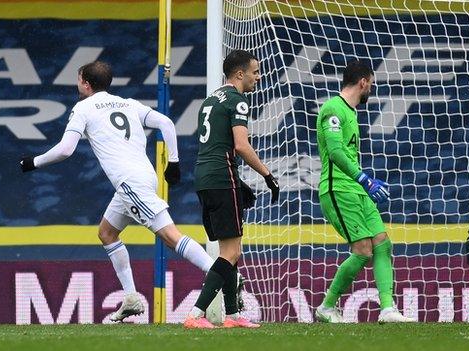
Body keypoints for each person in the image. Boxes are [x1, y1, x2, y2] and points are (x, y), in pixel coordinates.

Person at [19, 61, 228, 322]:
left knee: (170, 236)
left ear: (85, 83)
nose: (77, 84)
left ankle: (221, 274)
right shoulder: (128, 103)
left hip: (130, 184)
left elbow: (65, 149)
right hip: (141, 179)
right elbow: (165, 123)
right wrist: (172, 161)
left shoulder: (83, 108)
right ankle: (130, 298)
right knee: (107, 233)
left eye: (78, 79)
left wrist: (32, 162)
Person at [183, 50, 279, 329]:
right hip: (222, 178)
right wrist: (267, 174)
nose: (258, 78)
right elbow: (241, 145)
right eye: (255, 72)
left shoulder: (211, 99)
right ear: (240, 74)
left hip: (205, 177)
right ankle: (195, 314)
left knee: (229, 248)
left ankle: (233, 315)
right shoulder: (237, 101)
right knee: (232, 251)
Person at [314, 60, 414, 323]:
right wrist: (365, 179)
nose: (371, 88)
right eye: (371, 83)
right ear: (363, 82)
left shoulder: (350, 112)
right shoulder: (333, 109)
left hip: (356, 189)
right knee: (362, 250)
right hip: (338, 190)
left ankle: (388, 309)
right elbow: (335, 152)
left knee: (382, 242)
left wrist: (362, 183)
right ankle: (326, 306)